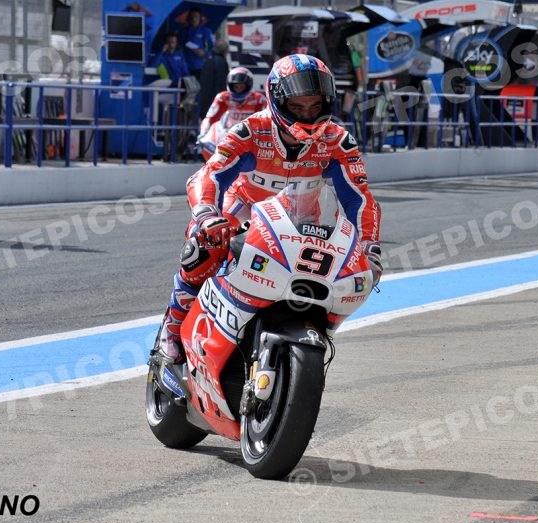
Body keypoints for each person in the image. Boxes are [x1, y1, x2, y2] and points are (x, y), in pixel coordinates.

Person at [159, 54, 383, 363]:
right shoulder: (249, 131)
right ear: (277, 99)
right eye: (298, 106)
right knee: (203, 246)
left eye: (316, 106)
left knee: (356, 270)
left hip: (302, 218)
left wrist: (369, 245)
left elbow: (360, 198)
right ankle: (172, 328)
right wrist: (207, 215)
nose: (308, 114)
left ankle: (317, 331)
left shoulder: (339, 141)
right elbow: (208, 174)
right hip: (241, 211)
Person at [198, 66, 267, 158]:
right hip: (227, 134)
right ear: (230, 85)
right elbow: (210, 118)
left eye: (241, 86)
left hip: (251, 136)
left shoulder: (259, 99)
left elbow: (267, 120)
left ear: (248, 85)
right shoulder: (222, 97)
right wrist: (203, 134)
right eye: (236, 86)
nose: (239, 88)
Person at [179, 7, 215, 78]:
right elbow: (177, 47)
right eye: (191, 17)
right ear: (188, 18)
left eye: (196, 17)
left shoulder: (206, 31)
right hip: (185, 68)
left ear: (200, 18)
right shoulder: (183, 32)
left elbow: (214, 49)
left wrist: (205, 53)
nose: (194, 19)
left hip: (201, 67)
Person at [198, 39, 229, 119]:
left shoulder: (207, 60)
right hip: (215, 103)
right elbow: (221, 83)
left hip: (205, 101)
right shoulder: (221, 62)